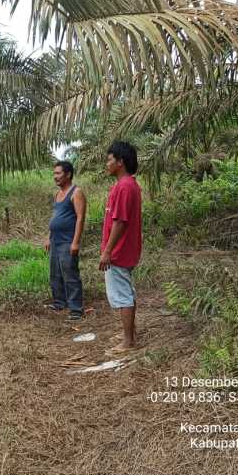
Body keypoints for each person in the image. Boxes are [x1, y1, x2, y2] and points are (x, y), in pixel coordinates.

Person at [98, 141, 142, 354]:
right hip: (124, 249)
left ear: (120, 162)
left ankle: (128, 341)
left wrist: (107, 251)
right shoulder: (126, 185)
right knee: (126, 291)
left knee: (122, 295)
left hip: (119, 251)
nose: (107, 163)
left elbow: (120, 221)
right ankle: (129, 333)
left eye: (109, 159)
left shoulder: (124, 187)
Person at [45, 160, 87, 321]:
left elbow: (80, 217)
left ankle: (76, 308)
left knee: (70, 274)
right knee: (55, 274)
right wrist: (48, 237)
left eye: (58, 173)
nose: (55, 177)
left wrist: (75, 242)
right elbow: (55, 217)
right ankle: (59, 302)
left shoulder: (76, 192)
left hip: (67, 241)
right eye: (54, 173)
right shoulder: (57, 194)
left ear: (68, 174)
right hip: (55, 240)